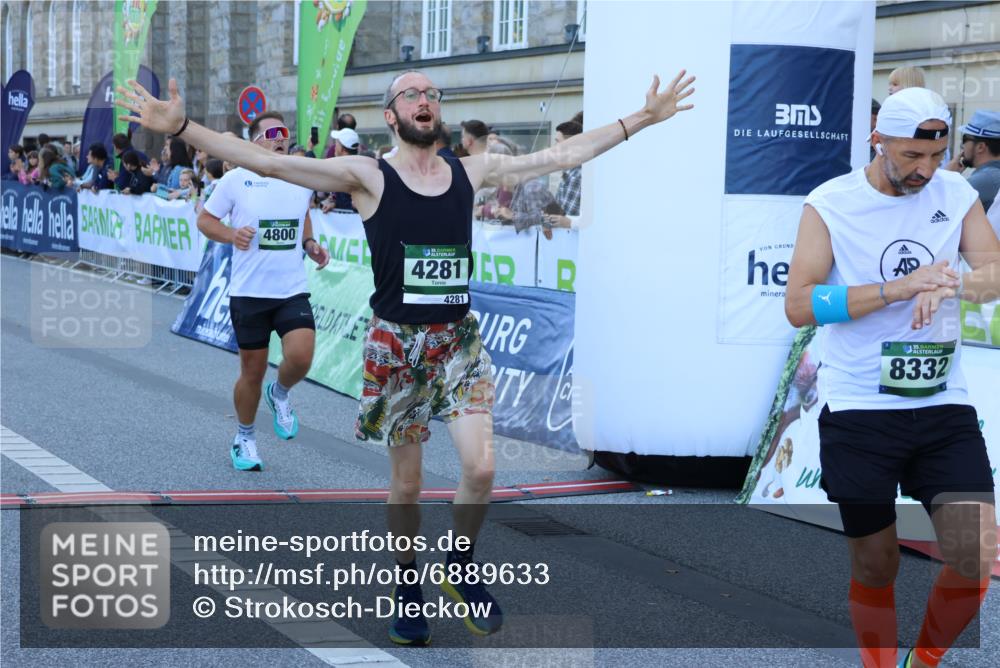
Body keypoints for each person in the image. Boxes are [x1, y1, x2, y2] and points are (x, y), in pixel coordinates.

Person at [117, 66, 695, 643]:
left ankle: (459, 565)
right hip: (397, 346)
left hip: (458, 340)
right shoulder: (367, 175)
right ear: (391, 115)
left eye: (431, 93)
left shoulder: (471, 170)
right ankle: (407, 585)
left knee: (482, 467)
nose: (425, 99)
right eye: (411, 94)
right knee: (409, 486)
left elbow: (560, 157)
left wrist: (643, 117)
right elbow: (265, 162)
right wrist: (184, 128)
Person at [784, 87, 1000, 668]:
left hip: (943, 404)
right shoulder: (830, 203)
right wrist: (897, 289)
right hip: (860, 408)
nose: (926, 170)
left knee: (975, 553)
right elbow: (800, 305)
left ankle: (920, 663)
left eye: (937, 156)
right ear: (878, 141)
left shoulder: (956, 194)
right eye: (912, 156)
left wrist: (950, 284)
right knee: (877, 564)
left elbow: (995, 274)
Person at [192, 110, 329, 471]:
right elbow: (205, 220)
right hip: (249, 292)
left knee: (301, 357)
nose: (281, 138)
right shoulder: (236, 180)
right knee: (251, 372)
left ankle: (279, 392)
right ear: (254, 142)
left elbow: (303, 214)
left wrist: (310, 243)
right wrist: (231, 235)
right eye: (272, 134)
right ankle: (245, 437)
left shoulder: (300, 175)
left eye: (284, 132)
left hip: (291, 290)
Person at [948, 110, 1000, 212]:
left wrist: (948, 175)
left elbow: (941, 206)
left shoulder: (987, 178)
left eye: (965, 139)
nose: (962, 146)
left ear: (980, 147)